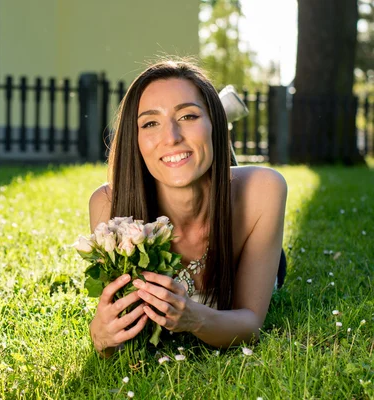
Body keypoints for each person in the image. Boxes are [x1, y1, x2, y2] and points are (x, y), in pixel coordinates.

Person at [88, 60, 288, 357]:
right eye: (151, 123)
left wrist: (195, 318)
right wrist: (103, 337)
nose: (171, 136)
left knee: (197, 158)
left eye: (188, 115)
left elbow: (250, 324)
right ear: (135, 140)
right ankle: (209, 114)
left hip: (235, 225)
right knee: (183, 152)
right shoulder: (109, 206)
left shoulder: (264, 190)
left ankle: (218, 121)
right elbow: (112, 333)